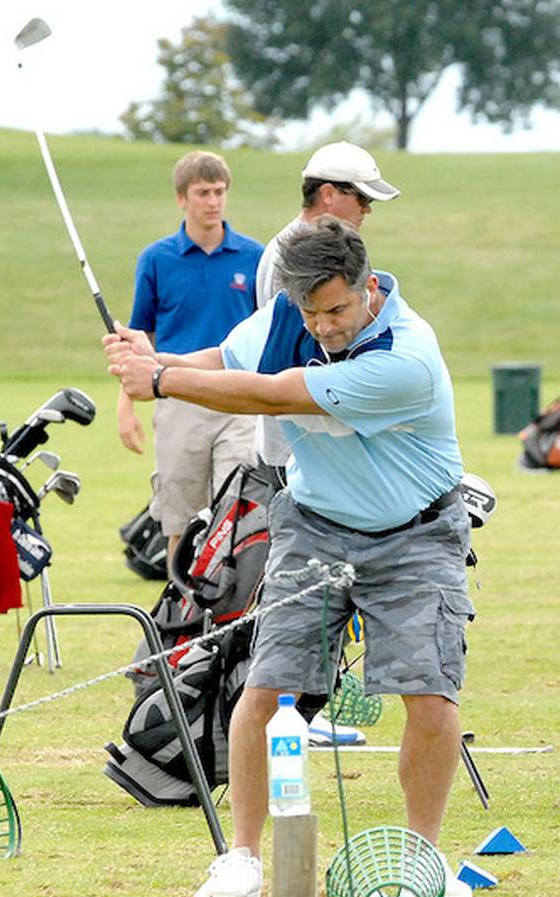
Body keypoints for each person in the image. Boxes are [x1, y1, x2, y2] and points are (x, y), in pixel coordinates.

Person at [102, 217, 475, 897]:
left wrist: (161, 379)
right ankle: (240, 857)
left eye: (335, 310)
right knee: (270, 686)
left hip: (416, 533)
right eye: (310, 312)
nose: (323, 326)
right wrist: (155, 360)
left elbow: (271, 394)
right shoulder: (287, 317)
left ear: (369, 287)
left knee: (428, 694)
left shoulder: (405, 357)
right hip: (314, 524)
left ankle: (424, 855)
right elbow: (231, 360)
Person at [254, 141, 399, 747]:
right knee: (302, 597)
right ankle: (291, 714)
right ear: (331, 195)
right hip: (297, 457)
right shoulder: (291, 257)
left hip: (318, 452)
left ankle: (304, 711)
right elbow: (292, 364)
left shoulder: (327, 252)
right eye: (363, 198)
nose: (367, 210)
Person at [123, 150, 263, 571]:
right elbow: (139, 338)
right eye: (203, 192)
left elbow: (265, 330)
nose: (213, 201)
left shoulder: (253, 257)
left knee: (236, 506)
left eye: (220, 192)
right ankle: (179, 612)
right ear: (181, 198)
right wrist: (126, 404)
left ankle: (228, 610)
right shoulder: (156, 259)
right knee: (179, 512)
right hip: (177, 396)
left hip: (238, 397)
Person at [254, 141, 399, 308]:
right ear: (328, 193)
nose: (367, 209)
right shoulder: (306, 251)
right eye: (362, 198)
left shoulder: (289, 242)